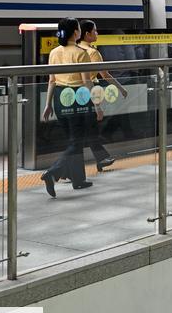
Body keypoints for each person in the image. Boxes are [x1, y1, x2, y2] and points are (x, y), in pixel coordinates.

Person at [39, 17, 97, 196]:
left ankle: (78, 180)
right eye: (79, 28)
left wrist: (48, 104)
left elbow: (52, 80)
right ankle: (53, 172)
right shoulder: (81, 53)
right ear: (76, 32)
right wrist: (97, 103)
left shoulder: (54, 52)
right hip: (77, 98)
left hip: (59, 98)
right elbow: (87, 81)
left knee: (73, 140)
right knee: (77, 141)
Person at [76, 19, 124, 172]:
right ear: (87, 34)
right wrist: (120, 88)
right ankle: (64, 169)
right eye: (95, 31)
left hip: (75, 93)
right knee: (89, 130)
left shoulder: (75, 49)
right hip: (89, 92)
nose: (97, 33)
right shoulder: (93, 52)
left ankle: (98, 159)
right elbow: (104, 74)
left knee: (83, 131)